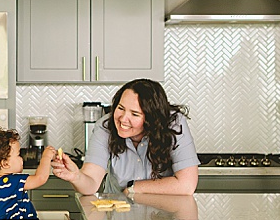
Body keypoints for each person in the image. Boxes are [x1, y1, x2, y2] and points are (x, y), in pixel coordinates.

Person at [52, 79, 199, 196]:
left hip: (162, 215)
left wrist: (134, 188)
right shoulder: (105, 127)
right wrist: (76, 176)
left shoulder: (174, 124)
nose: (123, 119)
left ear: (152, 119)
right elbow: (91, 184)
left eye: (135, 114)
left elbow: (187, 185)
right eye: (120, 108)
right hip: (118, 215)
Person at [0, 129, 56, 220]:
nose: (21, 158)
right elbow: (40, 178)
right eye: (18, 154)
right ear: (5, 164)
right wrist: (46, 157)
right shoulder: (13, 182)